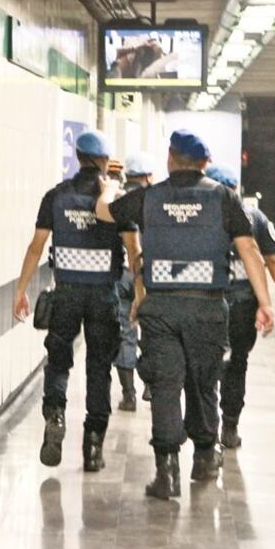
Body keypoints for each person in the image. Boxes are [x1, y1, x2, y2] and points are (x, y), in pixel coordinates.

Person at [97, 130, 274, 500]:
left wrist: (109, 188)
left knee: (165, 384)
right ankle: (205, 458)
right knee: (203, 383)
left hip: (160, 307)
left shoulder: (149, 196)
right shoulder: (223, 198)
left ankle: (167, 473)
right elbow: (250, 250)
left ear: (169, 158)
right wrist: (265, 302)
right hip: (208, 307)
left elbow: (104, 212)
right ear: (205, 164)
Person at [13, 130, 138, 472]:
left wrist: (21, 289)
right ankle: (93, 446)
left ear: (78, 157)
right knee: (99, 367)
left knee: (58, 360)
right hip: (103, 296)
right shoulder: (115, 202)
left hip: (66, 293)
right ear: (102, 162)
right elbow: (133, 250)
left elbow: (36, 246)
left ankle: (55, 417)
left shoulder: (55, 197)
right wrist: (140, 294)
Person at [205, 164, 275, 449]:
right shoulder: (254, 216)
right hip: (243, 305)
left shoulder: (201, 214)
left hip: (206, 303)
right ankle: (230, 427)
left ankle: (207, 431)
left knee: (205, 365)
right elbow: (273, 260)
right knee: (237, 364)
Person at [113, 152, 158, 410]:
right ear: (149, 177)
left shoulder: (117, 200)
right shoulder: (155, 201)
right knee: (152, 331)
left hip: (121, 274)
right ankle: (150, 387)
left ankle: (128, 394)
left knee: (125, 332)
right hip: (149, 275)